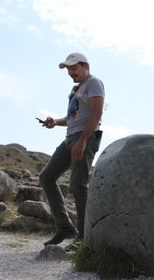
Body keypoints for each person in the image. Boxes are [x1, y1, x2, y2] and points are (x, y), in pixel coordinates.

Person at [39, 52, 105, 252]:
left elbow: (97, 113)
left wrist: (83, 141)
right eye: (68, 68)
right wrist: (55, 122)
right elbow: (73, 117)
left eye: (73, 67)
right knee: (46, 177)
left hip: (84, 138)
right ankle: (65, 228)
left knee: (77, 187)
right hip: (70, 138)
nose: (70, 72)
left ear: (86, 66)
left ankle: (85, 239)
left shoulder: (94, 83)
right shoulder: (76, 89)